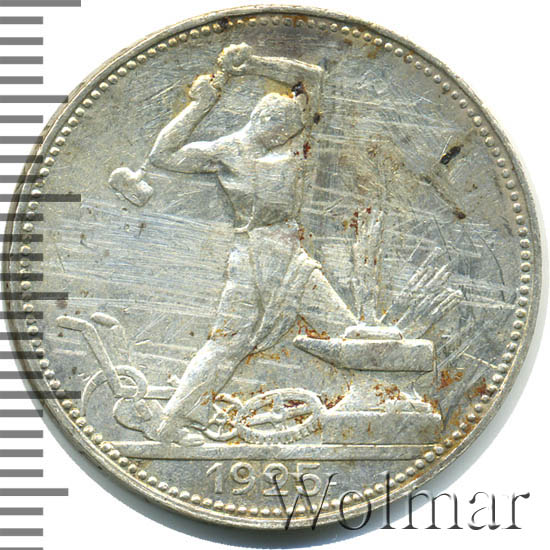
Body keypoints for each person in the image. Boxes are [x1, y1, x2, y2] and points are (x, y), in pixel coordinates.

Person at [110, 43, 358, 445]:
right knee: (227, 343)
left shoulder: (294, 143)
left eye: (292, 131)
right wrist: (199, 106)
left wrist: (253, 64)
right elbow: (162, 155)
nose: (289, 137)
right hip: (253, 257)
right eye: (283, 130)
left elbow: (313, 78)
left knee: (345, 330)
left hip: (290, 256)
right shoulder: (228, 151)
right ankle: (170, 424)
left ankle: (378, 402)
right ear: (263, 120)